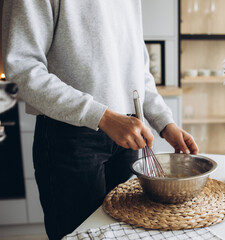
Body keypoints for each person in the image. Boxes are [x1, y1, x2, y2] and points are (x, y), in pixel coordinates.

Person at [2, 1, 198, 239]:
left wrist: (165, 123)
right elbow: (21, 69)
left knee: (124, 234)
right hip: (70, 138)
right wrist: (102, 116)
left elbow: (138, 71)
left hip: (127, 137)